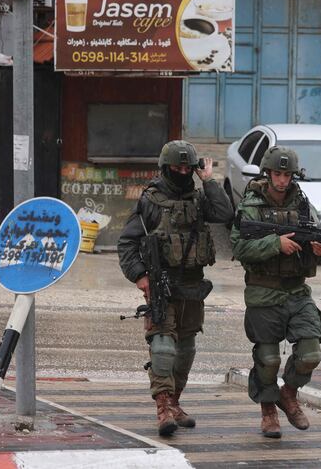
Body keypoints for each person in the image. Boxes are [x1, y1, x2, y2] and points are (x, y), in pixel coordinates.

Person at [118, 140, 232, 437]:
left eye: (188, 168)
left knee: (186, 351)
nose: (183, 172)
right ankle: (163, 407)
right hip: (161, 284)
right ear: (165, 167)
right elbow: (127, 243)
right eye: (177, 167)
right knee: (163, 348)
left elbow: (224, 213)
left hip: (193, 285)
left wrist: (208, 181)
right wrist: (140, 276)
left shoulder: (199, 197)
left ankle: (175, 401)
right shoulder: (150, 201)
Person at [230, 146, 321, 438]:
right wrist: (275, 244)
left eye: (287, 174)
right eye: (277, 173)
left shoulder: (303, 205)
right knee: (268, 358)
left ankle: (289, 393)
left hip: (297, 292)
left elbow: (319, 241)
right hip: (263, 292)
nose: (282, 180)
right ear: (268, 172)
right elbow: (238, 247)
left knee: (311, 353)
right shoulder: (251, 205)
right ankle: (268, 410)